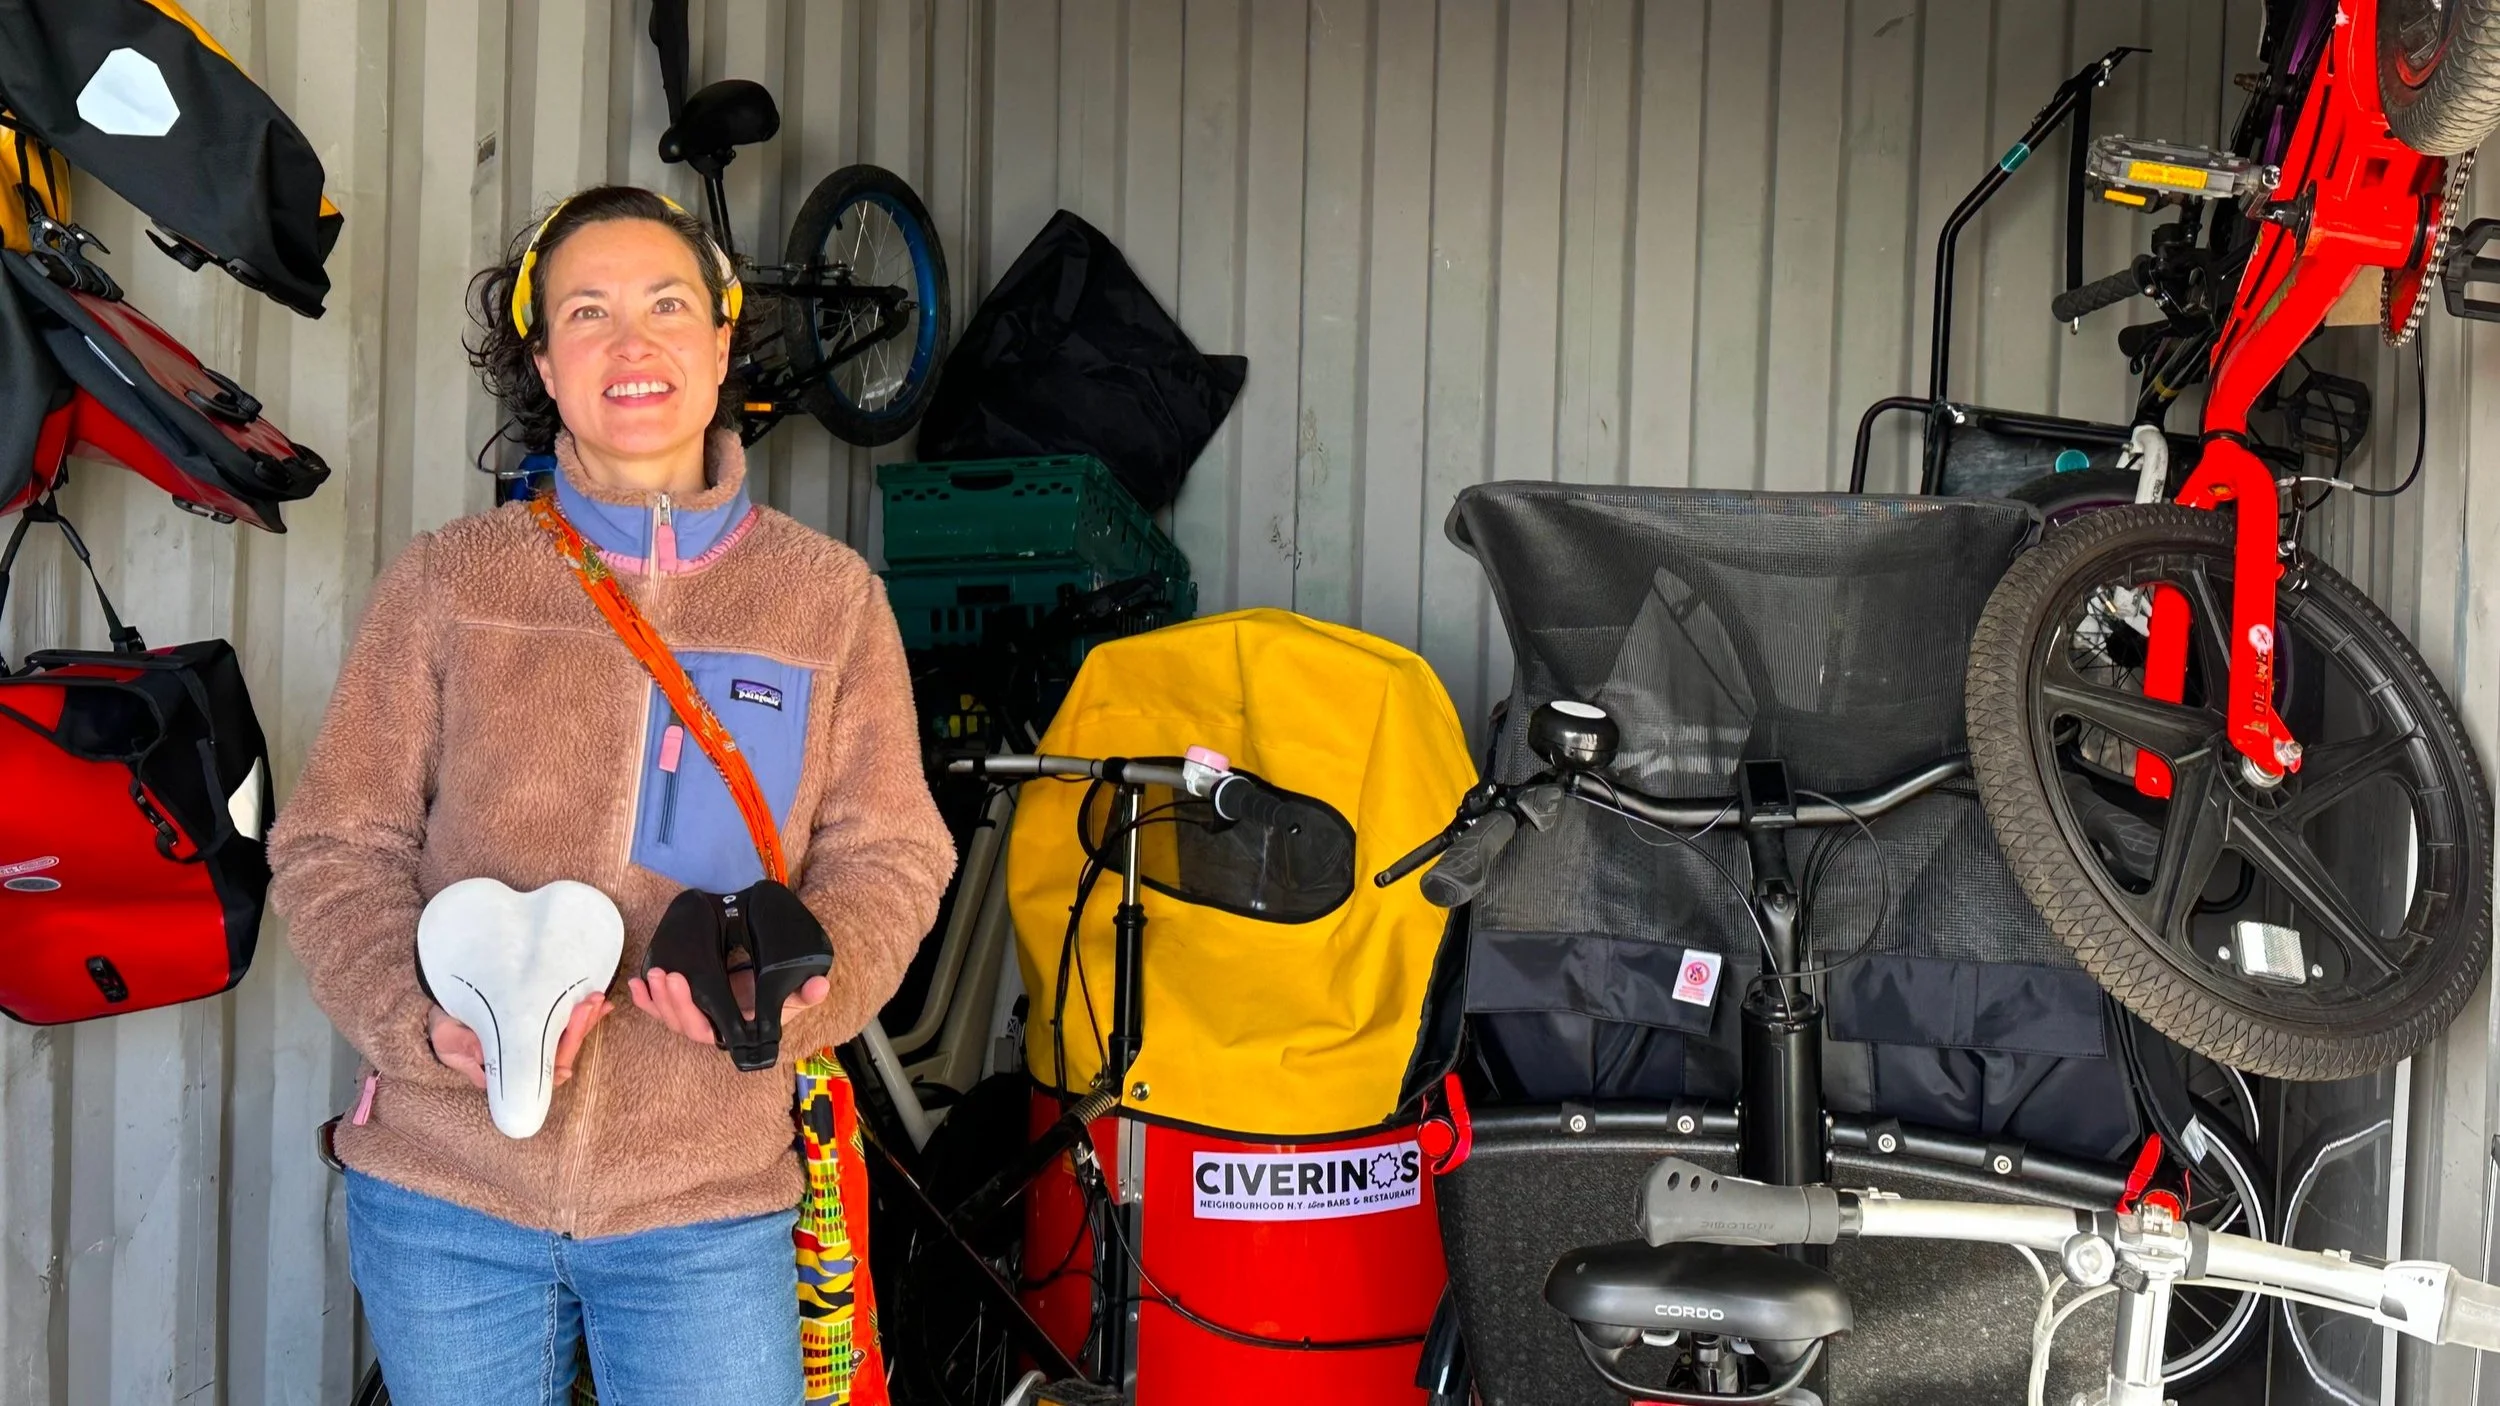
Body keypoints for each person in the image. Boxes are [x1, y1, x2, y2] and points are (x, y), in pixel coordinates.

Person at [266, 184, 956, 1405]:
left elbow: (893, 853)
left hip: (703, 1202)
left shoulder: (826, 599)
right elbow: (334, 843)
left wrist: (794, 1002)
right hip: (447, 1196)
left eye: (667, 304)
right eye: (587, 312)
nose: (632, 345)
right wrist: (418, 1023)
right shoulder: (450, 580)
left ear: (723, 336)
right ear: (541, 356)